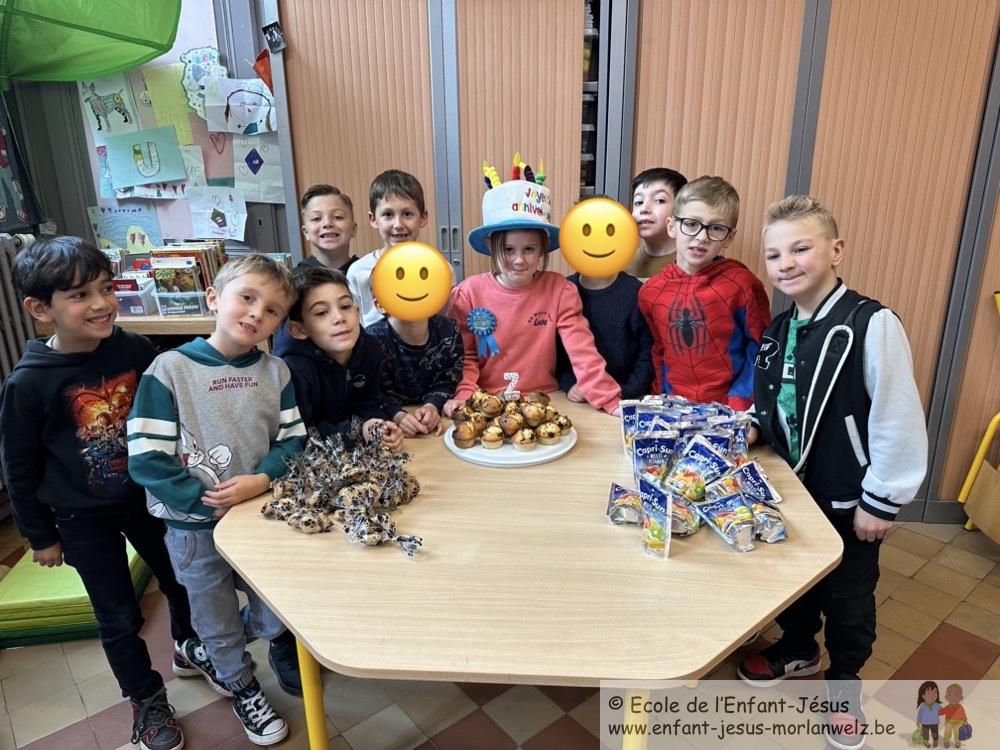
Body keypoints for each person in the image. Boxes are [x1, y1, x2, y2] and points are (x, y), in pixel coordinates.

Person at [737, 196, 928, 750]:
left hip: (849, 497)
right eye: (775, 254)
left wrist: (881, 498)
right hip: (793, 492)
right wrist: (753, 428)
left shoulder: (871, 323)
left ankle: (844, 683)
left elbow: (896, 414)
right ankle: (799, 648)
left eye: (800, 248)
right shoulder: (778, 330)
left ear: (836, 250)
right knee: (796, 582)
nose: (786, 264)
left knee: (848, 598)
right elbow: (775, 403)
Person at [0, 237, 199, 750]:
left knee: (182, 580)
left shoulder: (133, 349)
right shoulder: (27, 384)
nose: (101, 303)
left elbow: (166, 411)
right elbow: (18, 465)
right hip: (81, 517)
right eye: (80, 295)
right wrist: (39, 535)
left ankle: (189, 645)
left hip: (148, 498)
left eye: (106, 288)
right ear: (40, 309)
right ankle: (146, 698)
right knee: (118, 615)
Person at [127, 254, 308, 746]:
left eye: (272, 310)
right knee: (214, 612)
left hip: (258, 519)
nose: (256, 314)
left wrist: (262, 480)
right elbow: (147, 458)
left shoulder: (276, 372)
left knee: (275, 611)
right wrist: (205, 500)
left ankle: (208, 647)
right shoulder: (169, 369)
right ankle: (239, 681)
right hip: (193, 529)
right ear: (213, 297)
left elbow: (293, 441)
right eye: (247, 298)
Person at [444, 170, 620, 415]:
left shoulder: (560, 290)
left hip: (547, 398)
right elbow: (466, 355)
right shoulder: (468, 293)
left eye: (529, 249)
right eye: (508, 249)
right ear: (490, 246)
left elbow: (582, 350)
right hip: (486, 400)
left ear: (543, 248)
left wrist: (609, 399)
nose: (519, 260)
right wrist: (464, 394)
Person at [637, 175, 770, 410]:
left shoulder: (742, 284)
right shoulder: (650, 292)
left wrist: (739, 403)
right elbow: (659, 352)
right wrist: (660, 398)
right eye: (691, 224)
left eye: (716, 228)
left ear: (729, 237)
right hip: (672, 409)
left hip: (730, 411)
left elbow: (760, 349)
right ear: (672, 226)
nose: (701, 237)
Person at [273, 266, 404, 450]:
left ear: (357, 312)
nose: (339, 317)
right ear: (299, 330)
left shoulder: (370, 348)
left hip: (356, 452)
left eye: (345, 306)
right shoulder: (294, 368)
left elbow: (369, 401)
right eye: (321, 312)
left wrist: (377, 426)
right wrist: (358, 434)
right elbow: (300, 434)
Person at [368, 296, 464, 437]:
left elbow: (449, 380)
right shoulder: (370, 340)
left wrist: (432, 406)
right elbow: (368, 393)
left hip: (436, 423)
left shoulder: (449, 331)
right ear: (381, 305)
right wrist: (397, 415)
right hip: (391, 424)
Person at [347, 169, 429, 326]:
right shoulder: (358, 272)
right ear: (373, 219)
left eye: (407, 214)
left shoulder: (439, 269)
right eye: (388, 214)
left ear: (423, 217)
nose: (398, 224)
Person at [557, 268, 654, 400]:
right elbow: (558, 352)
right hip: (581, 396)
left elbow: (648, 351)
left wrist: (629, 390)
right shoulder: (565, 290)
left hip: (628, 397)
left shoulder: (636, 291)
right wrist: (569, 384)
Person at [625, 166, 688, 279]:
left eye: (659, 200)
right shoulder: (623, 263)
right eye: (638, 202)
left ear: (681, 209)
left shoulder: (691, 264)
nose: (644, 209)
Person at [297, 183, 358, 274]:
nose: (327, 223)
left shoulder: (368, 273)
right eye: (316, 218)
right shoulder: (294, 279)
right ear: (306, 232)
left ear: (353, 228)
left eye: (338, 217)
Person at [940, 683, 968, 748]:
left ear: (961, 698)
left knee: (957, 732)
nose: (953, 698)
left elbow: (963, 715)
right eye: (950, 695)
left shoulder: (960, 708)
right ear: (946, 697)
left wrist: (965, 721)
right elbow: (941, 712)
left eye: (956, 695)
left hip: (958, 722)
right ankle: (946, 740)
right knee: (947, 731)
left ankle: (957, 741)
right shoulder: (947, 707)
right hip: (949, 721)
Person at [916, 682, 942, 748]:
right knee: (925, 733)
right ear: (923, 696)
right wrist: (918, 721)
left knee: (935, 732)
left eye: (934, 692)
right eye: (928, 693)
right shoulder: (923, 706)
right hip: (925, 723)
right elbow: (920, 714)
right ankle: (926, 741)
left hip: (934, 722)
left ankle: (935, 740)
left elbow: (942, 711)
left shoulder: (937, 705)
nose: (932, 695)